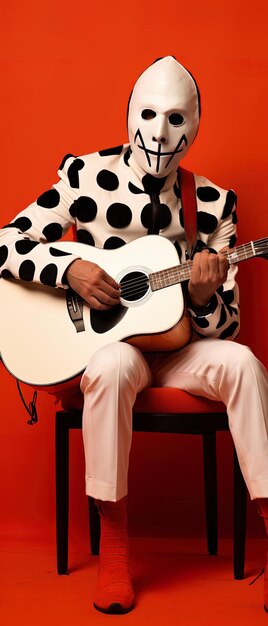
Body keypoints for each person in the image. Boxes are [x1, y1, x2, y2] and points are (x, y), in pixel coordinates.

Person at [0, 56, 268, 615]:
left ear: (195, 127)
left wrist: (201, 298)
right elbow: (6, 242)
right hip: (110, 350)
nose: (161, 132)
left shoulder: (213, 201)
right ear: (129, 116)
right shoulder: (84, 176)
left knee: (243, 362)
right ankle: (115, 549)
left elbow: (230, 321)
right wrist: (66, 269)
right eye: (149, 115)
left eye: (177, 119)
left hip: (180, 348)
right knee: (110, 364)